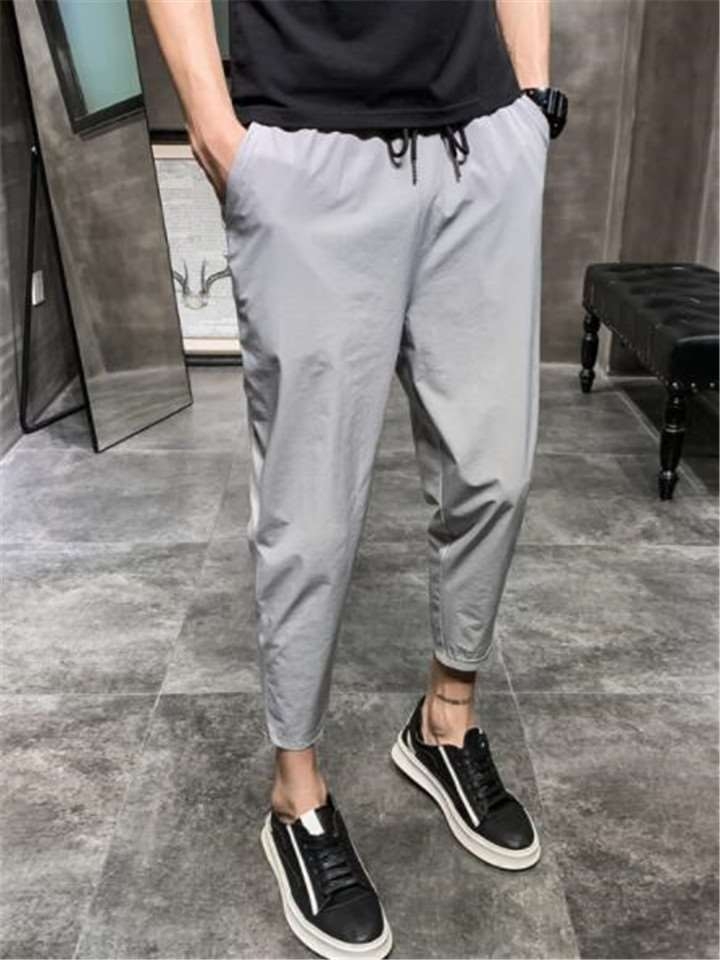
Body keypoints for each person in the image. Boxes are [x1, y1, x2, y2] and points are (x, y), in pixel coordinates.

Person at [146, 1, 568, 956]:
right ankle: (296, 794)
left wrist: (532, 105)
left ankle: (446, 724)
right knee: (313, 520)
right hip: (310, 151)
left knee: (494, 475)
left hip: (480, 146)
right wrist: (219, 131)